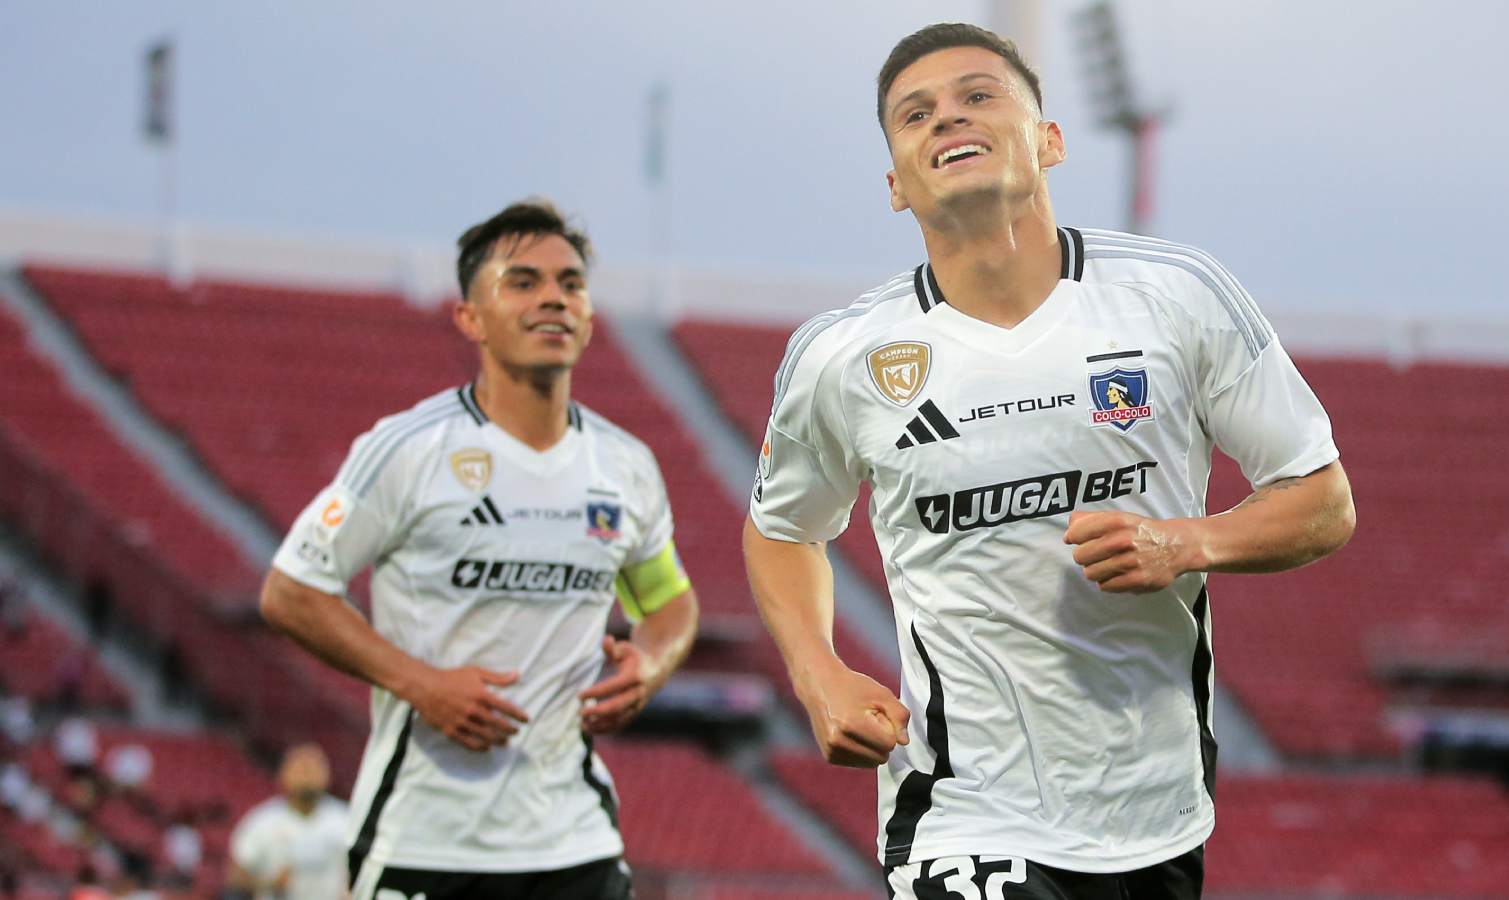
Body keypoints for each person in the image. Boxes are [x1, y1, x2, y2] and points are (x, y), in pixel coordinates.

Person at [744, 23, 1356, 900]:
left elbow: (1324, 499)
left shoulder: (1177, 296)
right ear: (894, 184)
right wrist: (818, 671)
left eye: (979, 95)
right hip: (960, 810)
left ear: (1050, 140)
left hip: (1156, 811)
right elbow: (781, 530)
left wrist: (1184, 544)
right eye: (916, 115)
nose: (948, 118)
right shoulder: (843, 356)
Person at [260, 199, 699, 900]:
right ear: (470, 318)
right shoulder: (407, 450)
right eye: (523, 282)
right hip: (426, 839)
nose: (553, 297)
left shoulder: (625, 465)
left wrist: (650, 660)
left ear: (587, 316)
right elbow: (291, 591)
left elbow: (668, 602)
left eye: (571, 284)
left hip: (576, 841)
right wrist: (420, 683)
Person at [227, 744, 349, 900]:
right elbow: (236, 877)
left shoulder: (346, 821)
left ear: (328, 775)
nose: (307, 775)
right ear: (283, 774)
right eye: (301, 769)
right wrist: (270, 882)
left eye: (313, 769)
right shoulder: (261, 822)